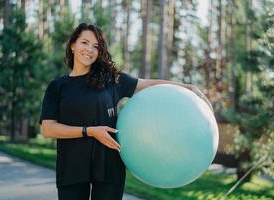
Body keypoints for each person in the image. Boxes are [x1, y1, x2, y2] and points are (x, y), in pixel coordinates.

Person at [39, 23, 212, 200]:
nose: (89, 50)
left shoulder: (111, 80)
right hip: (72, 168)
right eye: (84, 42)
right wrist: (89, 131)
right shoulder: (58, 87)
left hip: (109, 168)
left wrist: (188, 87)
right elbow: (48, 128)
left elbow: (146, 84)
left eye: (96, 46)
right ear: (73, 45)